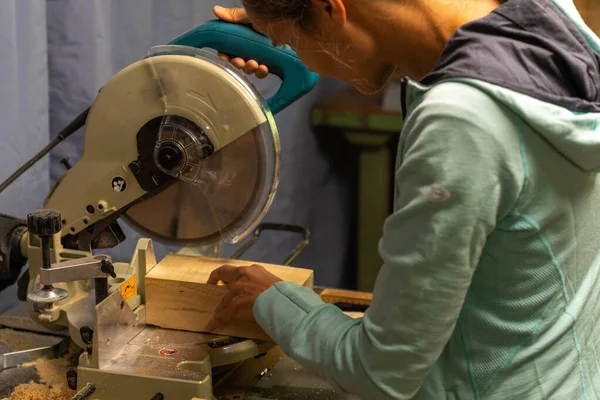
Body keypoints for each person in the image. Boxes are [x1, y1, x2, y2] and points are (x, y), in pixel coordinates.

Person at [205, 0, 600, 398]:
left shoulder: (461, 121)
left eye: (290, 43)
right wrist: (283, 22)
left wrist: (272, 303)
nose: (298, 58)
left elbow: (382, 371)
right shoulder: (545, 21)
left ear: (330, 9)